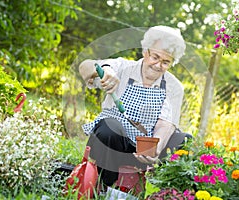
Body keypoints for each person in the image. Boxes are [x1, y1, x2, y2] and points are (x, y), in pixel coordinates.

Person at [79, 25, 189, 187]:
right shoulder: (123, 68)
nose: (158, 65)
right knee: (108, 126)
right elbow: (85, 66)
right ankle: (104, 185)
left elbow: (166, 123)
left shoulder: (174, 86)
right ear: (146, 52)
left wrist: (155, 148)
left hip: (145, 152)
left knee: (184, 140)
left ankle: (159, 191)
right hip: (114, 146)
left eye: (166, 62)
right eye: (155, 57)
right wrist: (106, 71)